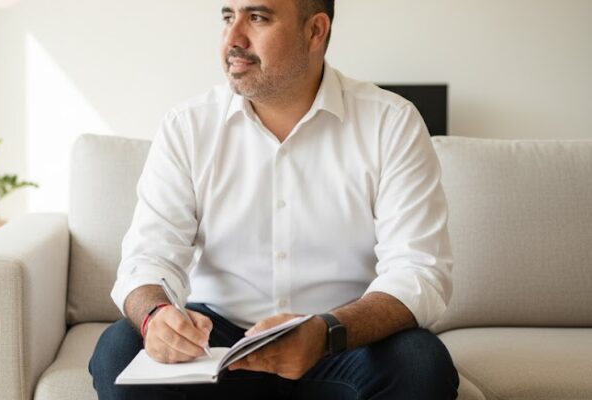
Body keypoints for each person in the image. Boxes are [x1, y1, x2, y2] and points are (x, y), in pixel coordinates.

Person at [88, 0, 460, 399]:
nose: (233, 38)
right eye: (228, 17)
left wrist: (326, 332)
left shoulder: (391, 122)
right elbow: (148, 257)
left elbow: (419, 270)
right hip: (217, 342)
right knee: (118, 350)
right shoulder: (187, 126)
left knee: (421, 364)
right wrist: (156, 317)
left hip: (342, 340)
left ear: (315, 31)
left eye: (258, 17)